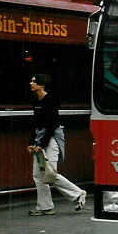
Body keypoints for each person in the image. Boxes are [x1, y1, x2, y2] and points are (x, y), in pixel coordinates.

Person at [27, 74, 86, 216]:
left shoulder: (50, 101)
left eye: (34, 82)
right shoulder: (36, 101)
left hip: (51, 139)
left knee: (50, 173)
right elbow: (35, 123)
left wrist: (40, 144)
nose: (31, 83)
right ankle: (45, 206)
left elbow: (51, 124)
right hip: (41, 139)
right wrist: (31, 142)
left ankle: (78, 194)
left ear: (41, 85)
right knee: (38, 174)